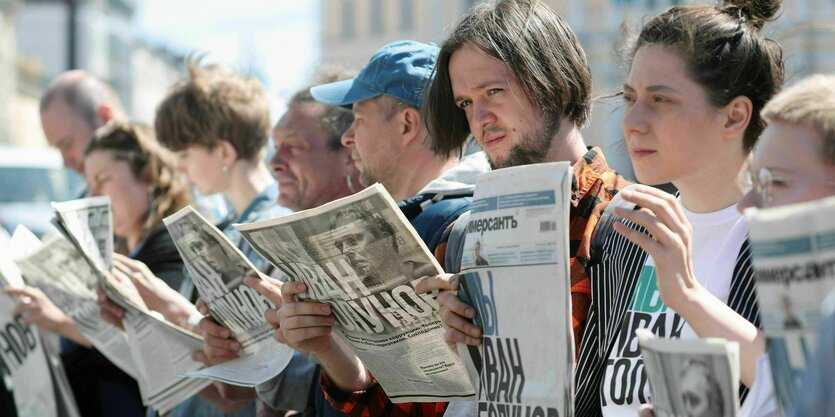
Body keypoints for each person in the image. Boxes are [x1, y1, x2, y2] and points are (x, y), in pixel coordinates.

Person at [564, 1, 784, 416]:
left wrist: (688, 295)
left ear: (734, 116)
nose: (632, 121)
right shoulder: (627, 226)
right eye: (629, 97)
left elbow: (805, 390)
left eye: (660, 100)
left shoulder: (788, 238)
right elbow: (590, 396)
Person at [8, 120, 194, 417]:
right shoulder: (125, 246)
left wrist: (59, 321)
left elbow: (151, 342)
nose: (93, 196)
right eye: (90, 184)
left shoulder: (170, 246)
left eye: (103, 179)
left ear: (146, 175)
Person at [200, 77, 360, 417]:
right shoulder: (288, 248)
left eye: (294, 146)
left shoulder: (365, 248)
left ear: (349, 152)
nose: (274, 162)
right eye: (275, 145)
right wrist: (230, 350)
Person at [39, 70, 126, 174]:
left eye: (67, 144)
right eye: (58, 148)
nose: (66, 163)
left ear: (105, 118)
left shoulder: (147, 183)